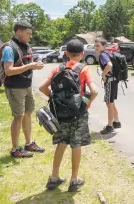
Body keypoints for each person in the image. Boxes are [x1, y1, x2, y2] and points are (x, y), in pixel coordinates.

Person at [39, 39, 98, 192]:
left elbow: (42, 87)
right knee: (76, 144)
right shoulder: (83, 69)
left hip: (60, 114)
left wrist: (52, 99)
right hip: (78, 113)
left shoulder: (58, 69)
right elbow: (95, 91)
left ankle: (54, 177)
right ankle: (74, 179)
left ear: (66, 53)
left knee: (62, 143)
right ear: (83, 54)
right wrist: (87, 103)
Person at [1, 20, 45, 158]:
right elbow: (8, 71)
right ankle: (15, 149)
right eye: (28, 33)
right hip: (15, 88)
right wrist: (30, 66)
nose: (30, 36)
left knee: (27, 113)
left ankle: (28, 143)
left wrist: (35, 64)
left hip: (26, 86)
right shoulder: (9, 48)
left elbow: (26, 63)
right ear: (18, 32)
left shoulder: (26, 46)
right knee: (18, 117)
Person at [94, 37, 121, 134]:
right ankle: (116, 122)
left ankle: (110, 126)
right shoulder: (106, 53)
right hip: (114, 80)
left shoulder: (102, 55)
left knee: (109, 103)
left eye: (98, 46)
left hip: (110, 81)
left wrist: (103, 74)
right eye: (95, 46)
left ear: (104, 46)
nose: (96, 48)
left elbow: (109, 65)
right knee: (112, 102)